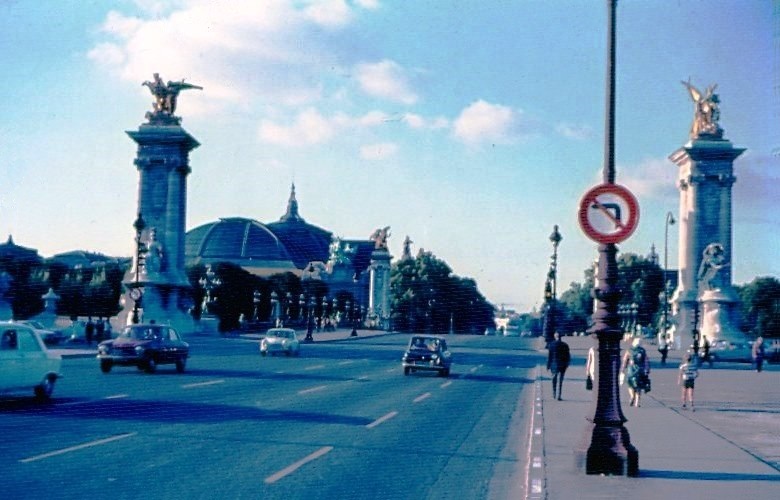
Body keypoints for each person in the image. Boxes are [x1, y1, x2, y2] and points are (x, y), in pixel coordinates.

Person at [621, 337, 651, 407]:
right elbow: (646, 361)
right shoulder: (643, 351)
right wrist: (647, 369)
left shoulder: (629, 350)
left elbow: (625, 360)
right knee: (639, 387)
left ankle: (632, 396)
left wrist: (623, 369)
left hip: (631, 370)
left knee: (630, 385)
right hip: (640, 370)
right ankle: (637, 402)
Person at [547, 332, 571, 401]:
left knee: (554, 379)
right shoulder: (565, 345)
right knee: (560, 381)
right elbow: (568, 356)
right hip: (562, 365)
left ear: (555, 337)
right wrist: (567, 364)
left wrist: (548, 365)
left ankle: (554, 393)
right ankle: (559, 395)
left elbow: (550, 356)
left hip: (554, 365)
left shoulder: (551, 345)